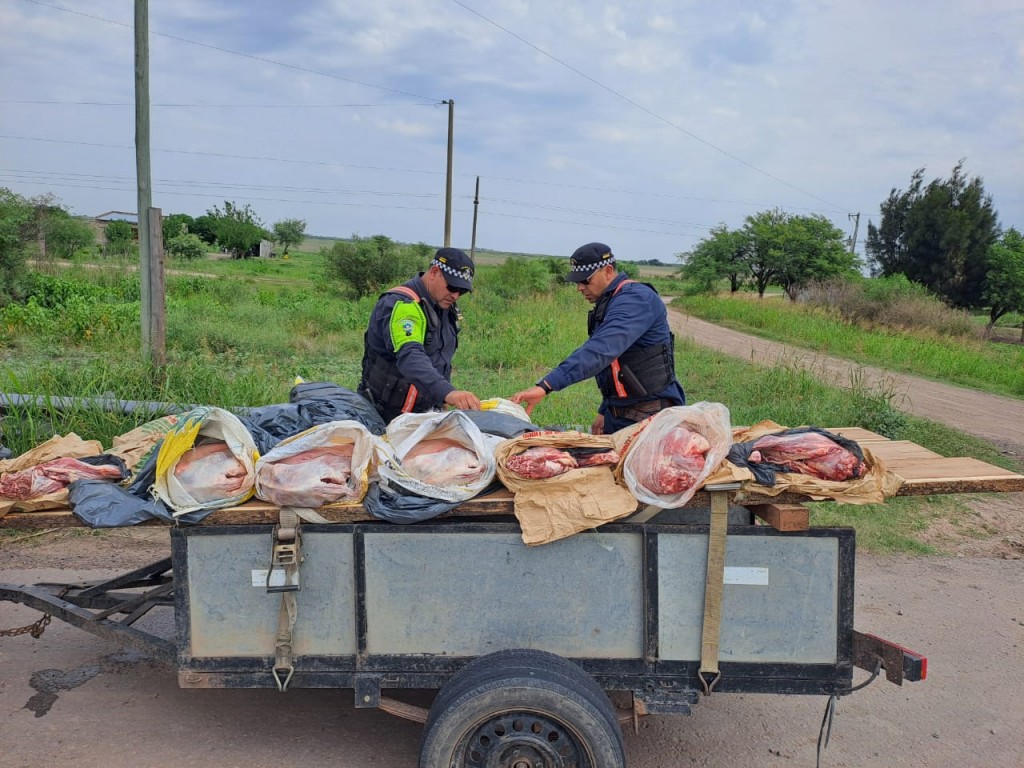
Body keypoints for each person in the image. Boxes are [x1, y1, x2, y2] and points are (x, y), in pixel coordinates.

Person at [511, 242, 685, 434]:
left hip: (649, 416)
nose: (579, 288)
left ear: (608, 271)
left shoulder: (636, 300)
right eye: (577, 282)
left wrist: (546, 385)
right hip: (621, 411)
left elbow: (600, 350)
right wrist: (606, 410)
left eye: (585, 280)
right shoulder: (610, 301)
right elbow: (615, 364)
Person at [358, 247, 481, 423]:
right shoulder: (403, 305)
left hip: (424, 416)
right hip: (385, 416)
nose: (455, 296)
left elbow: (440, 358)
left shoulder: (443, 306)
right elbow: (410, 355)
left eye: (461, 291)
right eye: (452, 287)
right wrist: (448, 392)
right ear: (434, 272)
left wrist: (442, 399)